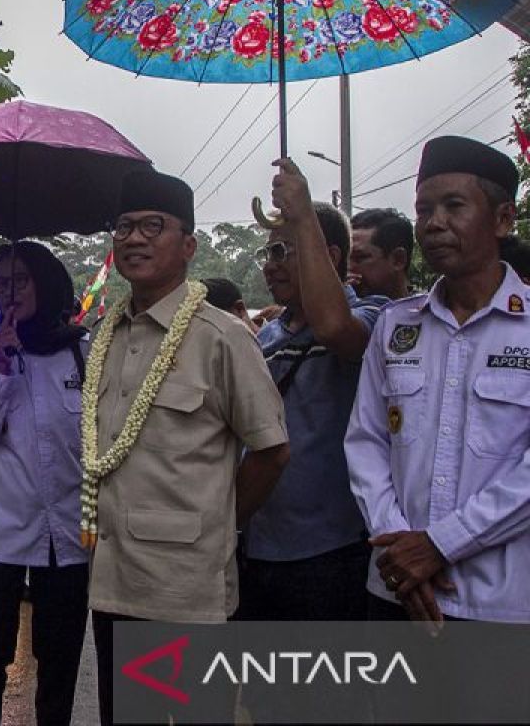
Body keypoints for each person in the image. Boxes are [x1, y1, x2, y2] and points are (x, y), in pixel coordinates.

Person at [86, 171, 289, 726]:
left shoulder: (221, 337)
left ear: (190, 246)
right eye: (124, 227)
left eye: (154, 226)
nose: (134, 239)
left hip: (190, 594)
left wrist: (221, 519)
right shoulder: (107, 336)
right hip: (115, 587)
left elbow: (271, 451)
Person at [346, 135, 530, 626]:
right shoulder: (396, 324)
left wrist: (441, 544)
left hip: (500, 605)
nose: (434, 223)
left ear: (503, 219)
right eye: (424, 208)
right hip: (394, 590)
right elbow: (365, 442)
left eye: (453, 206)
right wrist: (397, 546)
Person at [239, 161, 390, 622]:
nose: (270, 266)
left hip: (331, 553)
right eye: (268, 254)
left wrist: (303, 214)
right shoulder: (264, 338)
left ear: (330, 254)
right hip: (259, 549)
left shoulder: (375, 318)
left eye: (283, 251)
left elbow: (334, 328)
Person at [0, 241, 90, 726]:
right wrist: (3, 368)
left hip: (69, 536)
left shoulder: (81, 351)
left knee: (59, 655)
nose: (10, 292)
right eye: (2, 283)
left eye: (21, 280)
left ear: (46, 283)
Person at [349, 208, 414, 300]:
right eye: (345, 258)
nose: (348, 268)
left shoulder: (433, 312)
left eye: (359, 258)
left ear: (398, 260)